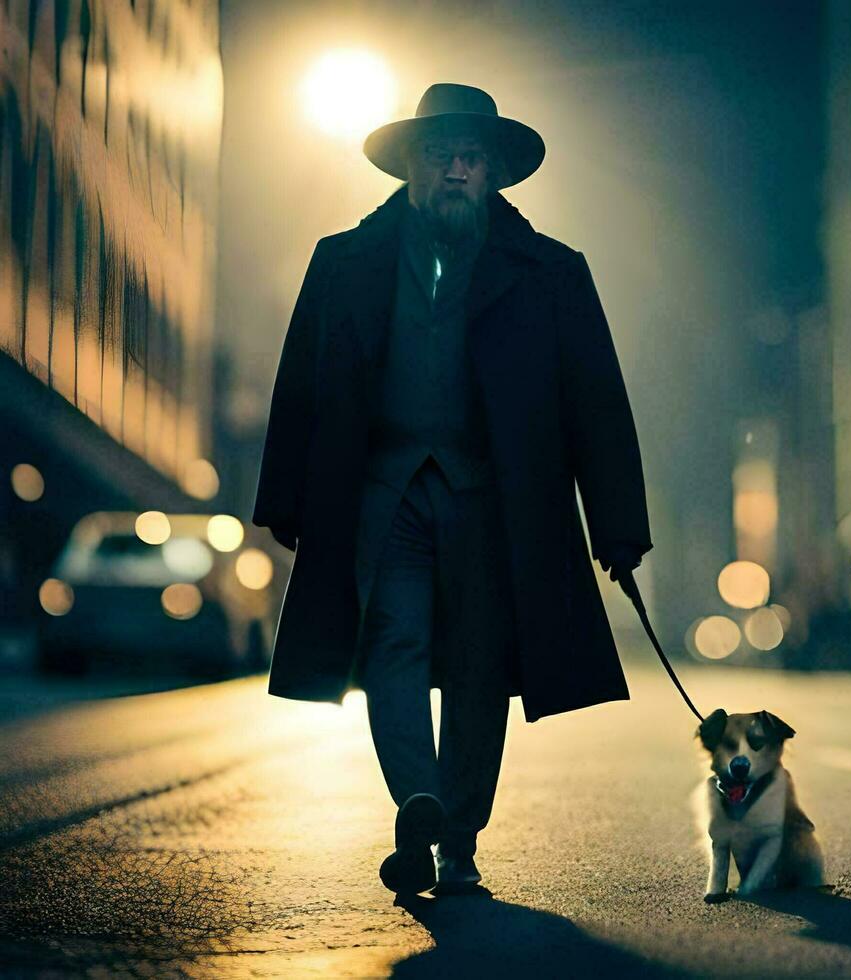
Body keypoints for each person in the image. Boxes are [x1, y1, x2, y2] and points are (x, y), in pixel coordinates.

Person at [252, 83, 653, 896]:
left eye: (472, 157)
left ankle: (459, 834)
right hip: (384, 493)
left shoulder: (551, 273)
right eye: (440, 155)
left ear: (495, 173)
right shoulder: (344, 262)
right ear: (410, 166)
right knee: (389, 644)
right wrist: (287, 500)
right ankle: (420, 800)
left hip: (495, 500)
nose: (457, 170)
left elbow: (596, 400)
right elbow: (299, 383)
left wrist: (616, 523)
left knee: (479, 664)